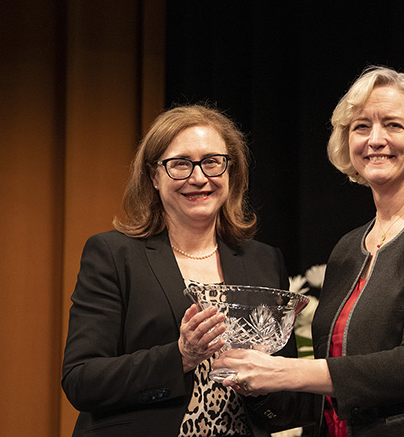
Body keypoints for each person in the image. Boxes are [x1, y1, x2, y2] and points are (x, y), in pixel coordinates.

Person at [215, 67, 404, 436]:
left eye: (393, 125)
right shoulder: (347, 249)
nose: (375, 139)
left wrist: (283, 372)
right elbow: (338, 381)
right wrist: (257, 382)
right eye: (361, 127)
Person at [62, 103, 298, 437]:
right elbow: (81, 379)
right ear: (153, 176)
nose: (198, 177)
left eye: (212, 162)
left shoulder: (264, 260)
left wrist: (260, 390)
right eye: (180, 164)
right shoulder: (113, 255)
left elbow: (288, 405)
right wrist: (180, 357)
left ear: (232, 172)